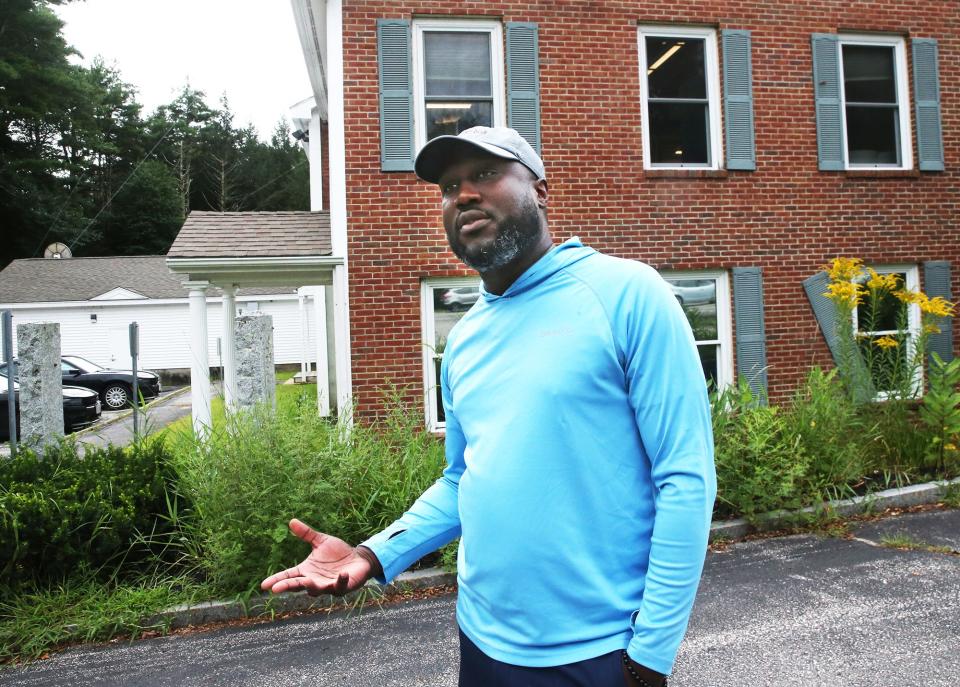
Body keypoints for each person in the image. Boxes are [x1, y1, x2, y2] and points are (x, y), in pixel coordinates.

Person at [261, 127, 717, 687]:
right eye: (450, 187)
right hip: (481, 643)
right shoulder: (465, 339)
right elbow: (462, 478)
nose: (464, 196)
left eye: (484, 174)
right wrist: (373, 555)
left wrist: (651, 655)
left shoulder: (628, 294)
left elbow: (685, 478)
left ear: (540, 189)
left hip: (599, 653)